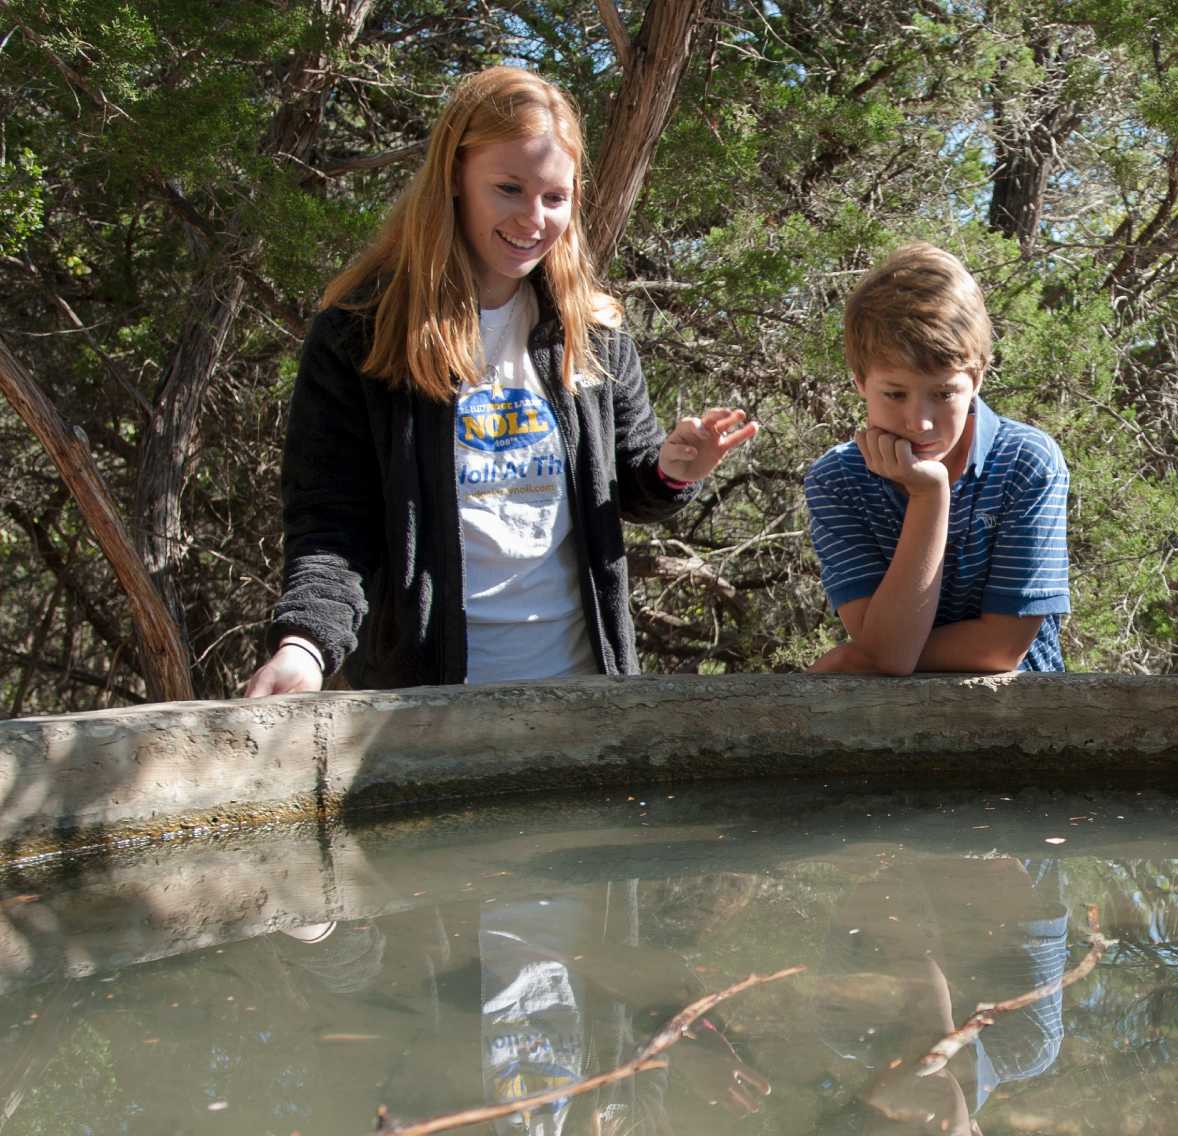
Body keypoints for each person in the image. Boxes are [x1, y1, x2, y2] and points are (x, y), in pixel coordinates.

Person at [243, 67, 757, 696]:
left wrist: (676, 467)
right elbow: (330, 525)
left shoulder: (590, 329)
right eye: (509, 188)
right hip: (424, 706)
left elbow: (626, 487)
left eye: (554, 197)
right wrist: (306, 645)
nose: (532, 219)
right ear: (454, 179)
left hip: (588, 694)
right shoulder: (359, 335)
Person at [803, 243, 1071, 675]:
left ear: (977, 378)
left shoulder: (1027, 461)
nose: (920, 422)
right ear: (859, 381)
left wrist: (875, 653)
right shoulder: (838, 479)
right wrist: (928, 496)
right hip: (884, 725)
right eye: (894, 394)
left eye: (944, 394)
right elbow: (885, 654)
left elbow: (1002, 649)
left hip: (1024, 723)